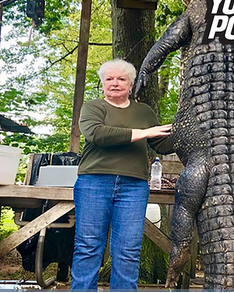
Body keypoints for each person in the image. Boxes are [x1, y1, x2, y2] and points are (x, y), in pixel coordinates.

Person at [70, 59, 173, 291]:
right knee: (88, 247)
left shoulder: (144, 112)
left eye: (121, 79)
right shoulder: (93, 107)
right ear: (102, 83)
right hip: (94, 182)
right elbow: (99, 135)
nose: (114, 83)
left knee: (128, 250)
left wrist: (184, 132)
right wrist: (144, 132)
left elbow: (161, 144)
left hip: (134, 186)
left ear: (131, 84)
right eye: (109, 79)